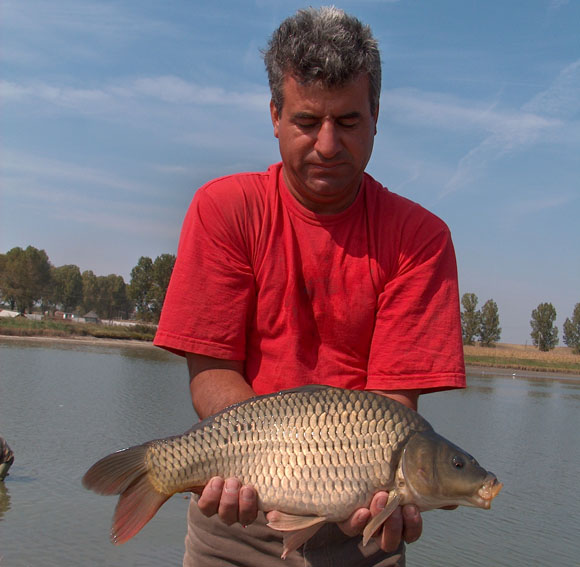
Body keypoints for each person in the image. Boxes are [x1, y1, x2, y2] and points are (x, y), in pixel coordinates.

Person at [154, 6, 465, 566]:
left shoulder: (419, 239)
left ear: (376, 116)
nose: (326, 145)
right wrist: (260, 468)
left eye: (347, 122)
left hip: (360, 535)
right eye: (305, 122)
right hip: (232, 521)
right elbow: (212, 371)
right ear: (274, 115)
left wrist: (362, 494)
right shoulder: (224, 210)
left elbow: (392, 408)